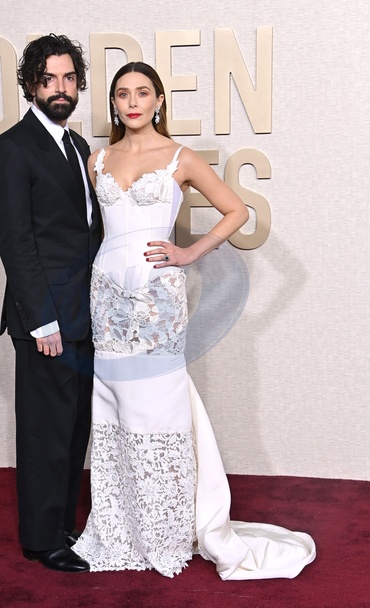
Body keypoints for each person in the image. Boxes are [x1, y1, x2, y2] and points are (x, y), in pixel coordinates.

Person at [72, 61, 316, 579]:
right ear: (113, 103)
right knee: (114, 408)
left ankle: (163, 528)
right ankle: (121, 525)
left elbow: (237, 211)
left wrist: (188, 254)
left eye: (142, 92)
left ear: (159, 100)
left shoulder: (180, 157)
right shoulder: (97, 160)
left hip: (158, 299)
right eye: (122, 94)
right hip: (107, 298)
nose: (132, 102)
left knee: (156, 406)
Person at [0, 34, 101, 573]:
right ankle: (40, 540)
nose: (60, 88)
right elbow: (17, 242)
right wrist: (42, 320)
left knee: (74, 426)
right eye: (49, 78)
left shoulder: (77, 146)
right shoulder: (11, 148)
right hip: (46, 319)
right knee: (45, 431)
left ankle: (59, 525)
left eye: (69, 78)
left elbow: (85, 231)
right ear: (31, 84)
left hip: (85, 313)